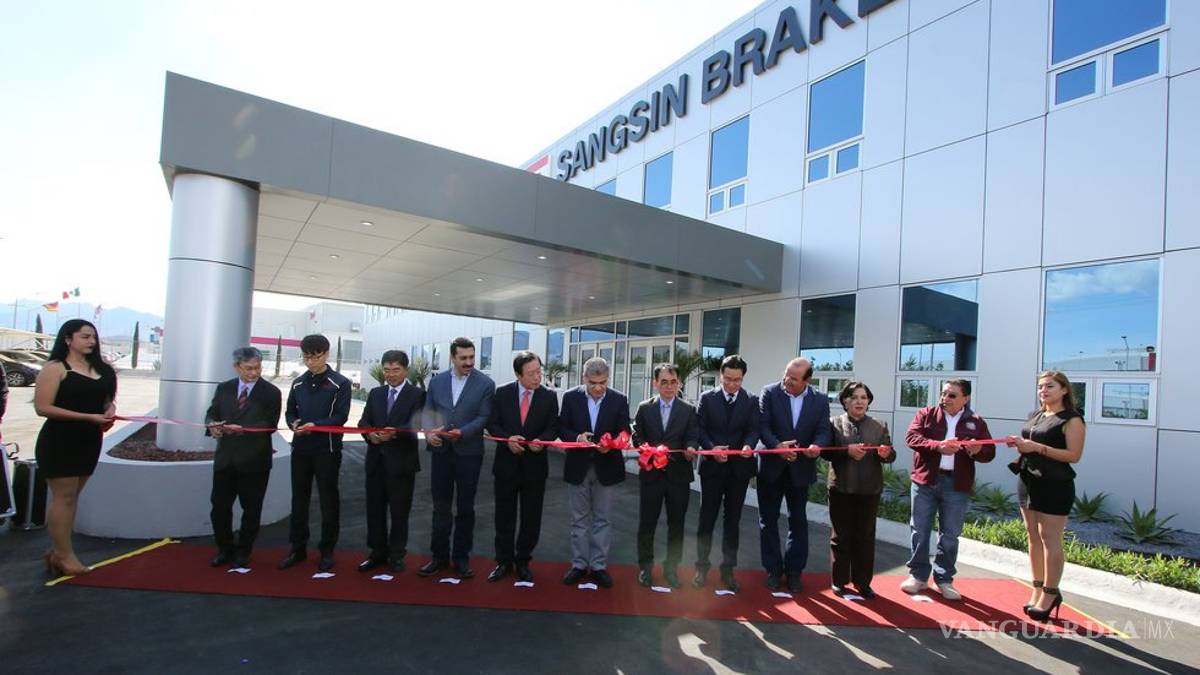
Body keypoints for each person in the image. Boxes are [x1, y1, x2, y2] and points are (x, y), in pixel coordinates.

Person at [33, 319, 116, 576]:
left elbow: (106, 401)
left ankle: (58, 551)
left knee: (72, 498)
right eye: (85, 336)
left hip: (89, 440)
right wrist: (87, 417)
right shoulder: (56, 368)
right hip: (60, 440)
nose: (92, 341)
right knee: (64, 497)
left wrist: (109, 410)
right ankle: (64, 555)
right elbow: (42, 407)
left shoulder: (102, 369)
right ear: (68, 339)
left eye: (94, 337)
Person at [902, 379, 995, 600]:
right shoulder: (925, 414)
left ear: (966, 398)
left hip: (956, 484)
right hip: (925, 481)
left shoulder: (976, 422)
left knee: (950, 534)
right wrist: (938, 446)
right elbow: (912, 438)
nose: (945, 398)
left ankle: (944, 579)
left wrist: (978, 450)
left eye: (952, 395)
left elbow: (989, 453)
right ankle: (918, 576)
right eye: (943, 393)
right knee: (920, 530)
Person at [1006, 371, 1085, 621]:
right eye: (1040, 387)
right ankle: (1038, 588)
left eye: (1049, 386)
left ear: (1064, 390)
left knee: (1050, 539)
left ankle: (1051, 593)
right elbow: (1030, 443)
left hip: (1055, 484)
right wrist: (1020, 444)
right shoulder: (1036, 415)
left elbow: (1073, 455)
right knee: (1033, 537)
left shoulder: (1071, 419)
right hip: (1028, 480)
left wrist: (1036, 447)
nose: (1043, 390)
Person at [419, 337, 495, 579]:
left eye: (472, 357)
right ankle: (438, 556)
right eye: (463, 358)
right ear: (452, 357)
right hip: (441, 453)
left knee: (465, 508)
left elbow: (484, 417)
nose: (469, 362)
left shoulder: (486, 384)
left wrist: (463, 432)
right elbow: (428, 412)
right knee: (440, 506)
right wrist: (429, 433)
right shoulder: (437, 381)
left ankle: (461, 557)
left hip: (469, 453)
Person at [279, 334, 352, 572]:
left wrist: (316, 425)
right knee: (299, 499)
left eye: (316, 357)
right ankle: (297, 548)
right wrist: (294, 423)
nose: (311, 362)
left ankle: (327, 551)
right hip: (300, 449)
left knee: (328, 500)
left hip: (327, 450)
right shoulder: (298, 383)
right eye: (307, 357)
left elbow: (341, 416)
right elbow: (290, 412)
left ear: (327, 354)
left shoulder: (340, 383)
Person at [485, 350, 559, 583]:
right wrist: (507, 439)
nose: (537, 377)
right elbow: (492, 423)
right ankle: (503, 561)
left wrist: (541, 440)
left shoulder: (549, 396)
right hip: (506, 466)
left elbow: (553, 427)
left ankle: (523, 561)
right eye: (531, 373)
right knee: (504, 516)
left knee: (531, 517)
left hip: (534, 468)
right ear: (518, 375)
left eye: (539, 372)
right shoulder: (502, 393)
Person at [204, 347, 282, 569]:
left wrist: (242, 428)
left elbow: (270, 425)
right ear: (237, 367)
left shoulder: (271, 392)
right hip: (226, 460)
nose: (254, 373)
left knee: (251, 509)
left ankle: (243, 551)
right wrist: (212, 426)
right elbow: (212, 412)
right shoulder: (224, 388)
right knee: (219, 507)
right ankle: (224, 549)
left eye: (257, 368)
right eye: (249, 368)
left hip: (255, 461)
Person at [758, 357, 830, 593]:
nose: (787, 380)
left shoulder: (820, 400)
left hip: (800, 470)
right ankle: (772, 570)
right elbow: (763, 426)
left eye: (794, 378)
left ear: (807, 380)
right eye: (786, 374)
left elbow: (823, 431)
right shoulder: (770, 392)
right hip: (771, 468)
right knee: (768, 521)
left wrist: (817, 446)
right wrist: (777, 446)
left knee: (798, 521)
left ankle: (794, 572)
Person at [558, 356, 630, 588]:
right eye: (593, 383)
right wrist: (577, 437)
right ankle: (579, 565)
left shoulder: (619, 399)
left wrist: (614, 443)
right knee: (579, 520)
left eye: (603, 383)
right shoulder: (570, 397)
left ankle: (598, 566)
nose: (598, 388)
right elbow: (562, 427)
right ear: (584, 378)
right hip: (577, 466)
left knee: (603, 519)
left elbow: (625, 431)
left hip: (607, 468)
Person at [694, 354, 760, 593]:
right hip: (712, 468)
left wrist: (748, 445)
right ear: (720, 376)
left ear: (743, 378)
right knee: (706, 519)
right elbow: (699, 429)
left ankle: (728, 569)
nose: (732, 384)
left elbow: (754, 429)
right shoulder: (707, 398)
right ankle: (701, 567)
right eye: (728, 379)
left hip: (739, 469)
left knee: (733, 521)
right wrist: (711, 449)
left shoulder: (751, 400)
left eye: (737, 380)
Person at [357, 350, 425, 574]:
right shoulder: (376, 393)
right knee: (374, 510)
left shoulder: (417, 394)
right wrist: (370, 435)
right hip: (376, 461)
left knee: (399, 512)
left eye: (396, 370)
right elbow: (363, 421)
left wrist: (394, 432)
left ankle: (396, 555)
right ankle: (376, 552)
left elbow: (417, 424)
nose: (391, 374)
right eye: (387, 370)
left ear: (406, 370)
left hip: (402, 463)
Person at [824, 381, 893, 599]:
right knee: (841, 537)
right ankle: (839, 581)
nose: (859, 401)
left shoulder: (879, 425)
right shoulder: (834, 423)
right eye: (854, 397)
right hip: (841, 488)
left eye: (863, 398)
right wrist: (846, 451)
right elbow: (825, 452)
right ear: (845, 402)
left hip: (869, 489)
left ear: (868, 402)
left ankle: (863, 583)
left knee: (865, 538)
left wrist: (886, 454)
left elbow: (890, 455)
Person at [632, 363, 699, 589]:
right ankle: (645, 567)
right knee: (647, 523)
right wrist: (645, 448)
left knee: (676, 525)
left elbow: (692, 435)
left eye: (673, 382)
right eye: (664, 382)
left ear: (679, 383)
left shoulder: (688, 410)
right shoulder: (644, 408)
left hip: (678, 476)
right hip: (651, 475)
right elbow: (636, 434)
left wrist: (691, 448)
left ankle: (671, 568)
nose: (669, 387)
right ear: (655, 383)